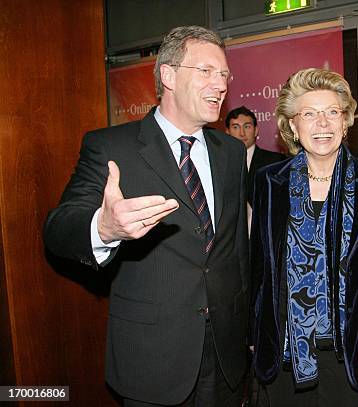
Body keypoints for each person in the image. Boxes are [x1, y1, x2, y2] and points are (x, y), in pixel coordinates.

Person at [44, 26, 249, 406]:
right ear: (168, 75)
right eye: (205, 71)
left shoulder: (230, 152)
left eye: (224, 74)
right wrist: (104, 228)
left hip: (225, 353)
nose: (219, 84)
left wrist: (247, 326)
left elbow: (235, 248)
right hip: (154, 359)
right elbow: (58, 228)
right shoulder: (110, 146)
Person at [249, 68, 358, 406]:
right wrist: (255, 336)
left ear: (345, 122)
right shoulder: (269, 182)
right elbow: (259, 269)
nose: (322, 123)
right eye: (309, 114)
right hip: (283, 352)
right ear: (292, 125)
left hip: (351, 353)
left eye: (332, 112)